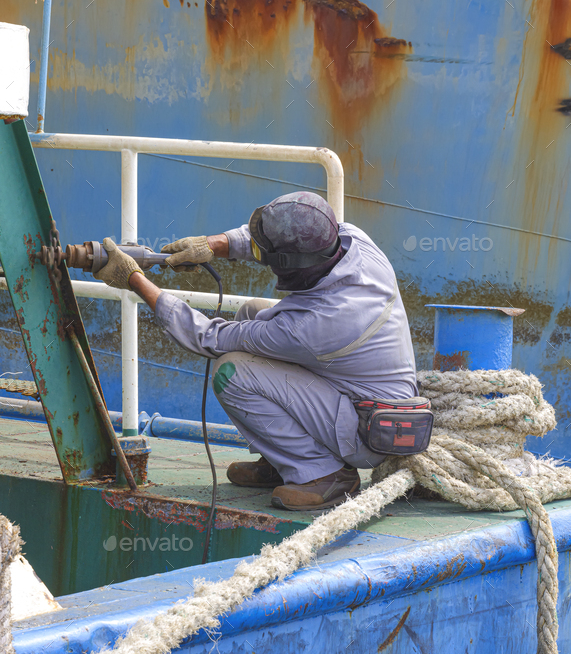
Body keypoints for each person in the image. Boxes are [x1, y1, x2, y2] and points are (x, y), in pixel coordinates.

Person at [95, 191, 417, 511]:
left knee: (232, 373)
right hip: (360, 396)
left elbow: (209, 337)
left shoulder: (315, 327)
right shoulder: (350, 241)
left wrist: (135, 280)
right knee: (252, 311)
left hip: (369, 430)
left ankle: (323, 474)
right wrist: (211, 245)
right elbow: (268, 242)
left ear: (285, 266)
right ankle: (282, 458)